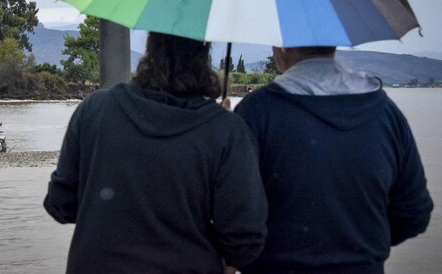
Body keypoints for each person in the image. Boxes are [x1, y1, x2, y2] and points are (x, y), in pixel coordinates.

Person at [44, 32, 268, 274]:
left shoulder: (94, 109)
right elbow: (244, 240)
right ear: (204, 56)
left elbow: (60, 205)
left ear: (149, 47)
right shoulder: (226, 131)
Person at [234, 46, 434, 274]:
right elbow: (414, 213)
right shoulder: (386, 113)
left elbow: (234, 215)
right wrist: (361, 248)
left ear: (282, 45)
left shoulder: (256, 112)